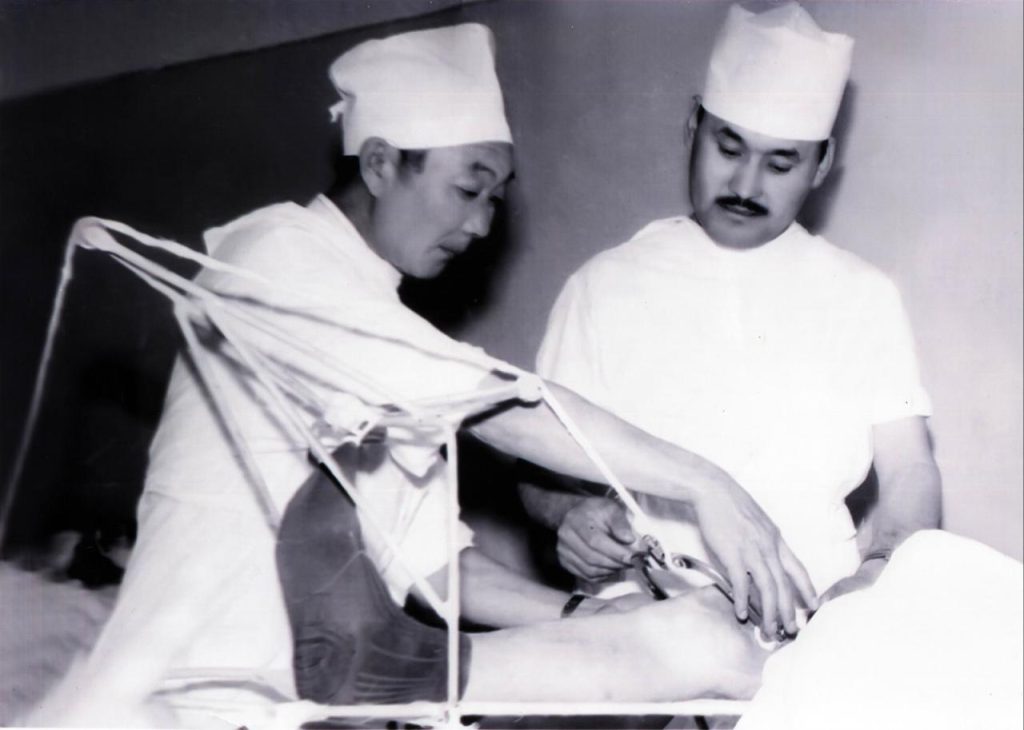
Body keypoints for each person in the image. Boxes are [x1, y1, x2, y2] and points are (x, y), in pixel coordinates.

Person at [32, 23, 812, 729]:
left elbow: (437, 567)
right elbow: (502, 405)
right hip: (186, 692)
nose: (480, 224)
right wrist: (707, 486)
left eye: (494, 199)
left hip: (294, 698)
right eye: (468, 189)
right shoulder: (273, 258)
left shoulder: (379, 331)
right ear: (379, 164)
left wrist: (583, 614)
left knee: (661, 655)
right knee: (678, 649)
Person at [520, 2, 942, 618]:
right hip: (643, 617)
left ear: (821, 165)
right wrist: (570, 513)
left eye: (780, 163)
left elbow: (909, 468)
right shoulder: (602, 286)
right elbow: (538, 466)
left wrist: (878, 570)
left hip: (818, 609)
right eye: (729, 148)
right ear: (694, 126)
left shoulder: (863, 295)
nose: (746, 185)